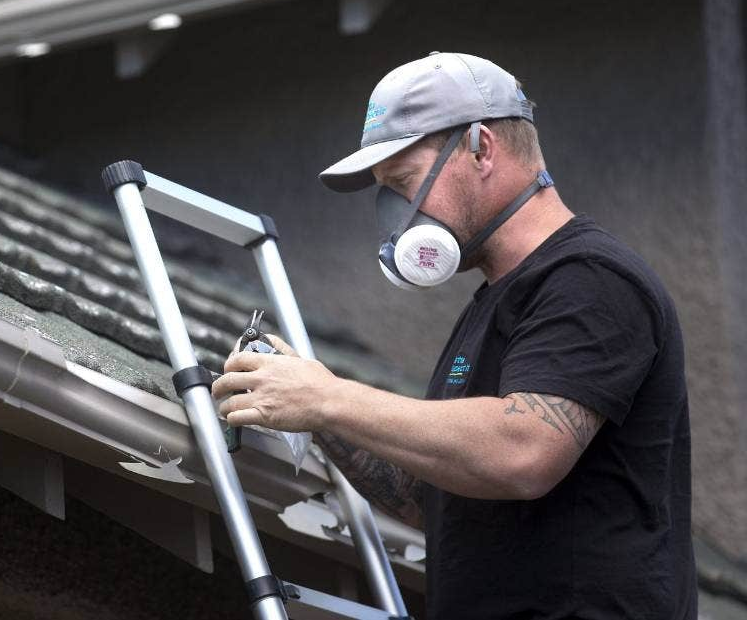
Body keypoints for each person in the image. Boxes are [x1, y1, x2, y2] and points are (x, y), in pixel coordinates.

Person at [211, 52, 695, 619]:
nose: (397, 214)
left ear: (480, 148)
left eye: (403, 182)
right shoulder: (494, 302)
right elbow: (431, 498)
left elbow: (524, 451)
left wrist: (330, 397)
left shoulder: (589, 279)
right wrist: (316, 415)